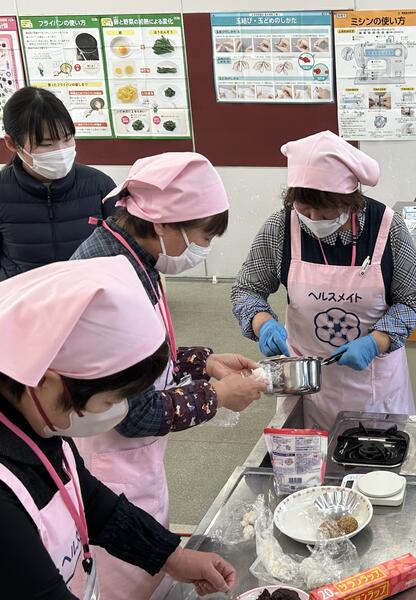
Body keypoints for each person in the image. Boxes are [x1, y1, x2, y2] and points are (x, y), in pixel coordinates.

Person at [70, 152, 266, 598]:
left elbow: (143, 357)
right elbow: (134, 412)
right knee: (125, 582)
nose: (204, 249)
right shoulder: (109, 282)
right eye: (203, 236)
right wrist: (217, 395)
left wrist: (202, 362)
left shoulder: (133, 257)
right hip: (111, 470)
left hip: (136, 465)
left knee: (153, 568)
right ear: (163, 223)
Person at [0, 256, 236, 599]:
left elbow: (92, 501)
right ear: (46, 382)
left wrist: (172, 558)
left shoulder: (36, 421)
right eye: (110, 400)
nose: (121, 411)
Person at [232, 131, 416, 430]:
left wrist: (376, 341)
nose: (313, 219)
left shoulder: (388, 228)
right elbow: (247, 289)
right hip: (305, 382)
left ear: (350, 200)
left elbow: (412, 300)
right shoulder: (281, 227)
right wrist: (262, 323)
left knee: (374, 455)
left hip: (374, 384)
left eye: (324, 212)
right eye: (304, 209)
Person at [0, 86, 116, 281]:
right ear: (12, 143)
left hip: (87, 293)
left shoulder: (100, 185)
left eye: (67, 138)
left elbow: (124, 249)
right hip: (24, 296)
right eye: (46, 144)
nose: (61, 151)